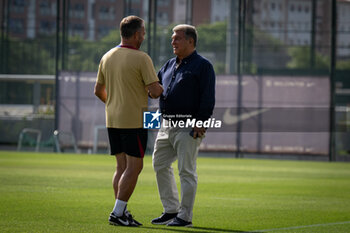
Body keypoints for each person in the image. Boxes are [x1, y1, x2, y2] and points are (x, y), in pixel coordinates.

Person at [94, 15, 163, 227]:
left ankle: (121, 212)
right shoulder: (142, 58)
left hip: (112, 119)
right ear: (136, 34)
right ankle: (117, 213)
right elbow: (154, 91)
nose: (144, 35)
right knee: (135, 166)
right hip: (134, 120)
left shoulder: (107, 56)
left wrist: (114, 104)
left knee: (121, 167)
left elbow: (98, 91)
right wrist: (159, 88)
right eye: (143, 32)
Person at [151, 24, 216, 227]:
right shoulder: (169, 64)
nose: (173, 41)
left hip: (189, 125)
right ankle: (171, 210)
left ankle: (185, 216)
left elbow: (208, 97)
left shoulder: (203, 65)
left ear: (190, 41)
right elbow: (156, 88)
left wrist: (201, 121)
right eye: (172, 38)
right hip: (166, 125)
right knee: (159, 164)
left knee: (186, 171)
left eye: (177, 38)